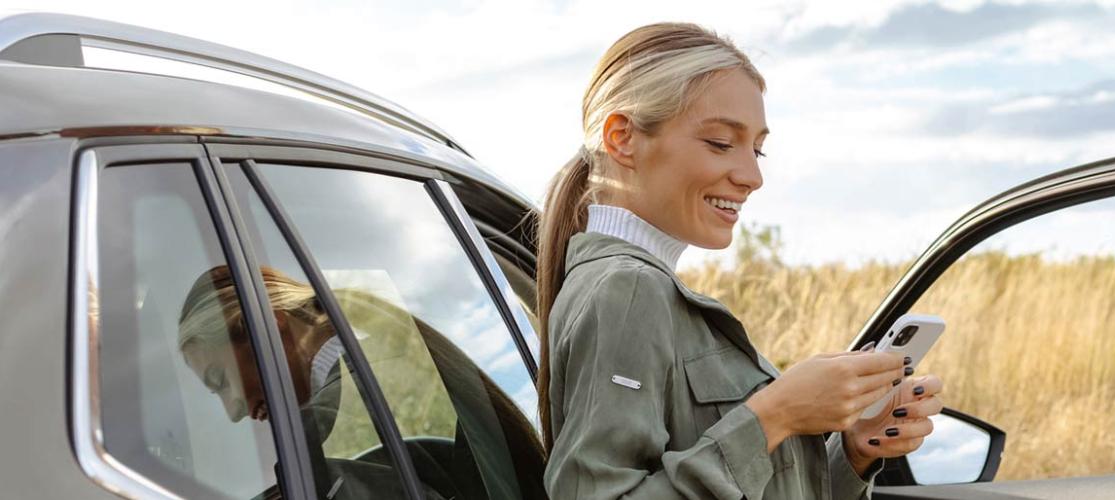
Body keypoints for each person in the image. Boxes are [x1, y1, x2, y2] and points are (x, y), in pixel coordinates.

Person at [538, 22, 946, 499]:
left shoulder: (645, 290)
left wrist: (853, 452)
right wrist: (777, 414)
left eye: (757, 149)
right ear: (622, 137)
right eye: (720, 143)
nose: (753, 176)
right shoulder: (626, 290)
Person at [177, 265, 547, 499]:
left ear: (264, 329)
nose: (233, 411)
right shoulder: (404, 368)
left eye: (220, 380)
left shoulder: (334, 435)